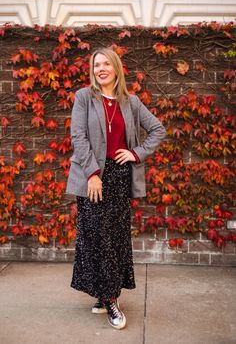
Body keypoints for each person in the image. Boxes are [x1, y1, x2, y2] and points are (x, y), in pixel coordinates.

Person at [66, 47, 166, 330]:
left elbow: (158, 130)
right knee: (95, 238)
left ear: (116, 68)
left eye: (106, 64)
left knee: (114, 239)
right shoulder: (84, 97)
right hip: (92, 179)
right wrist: (93, 174)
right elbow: (78, 136)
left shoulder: (130, 101)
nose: (100, 69)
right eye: (96, 64)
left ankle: (108, 297)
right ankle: (106, 297)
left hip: (119, 177)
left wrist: (136, 153)